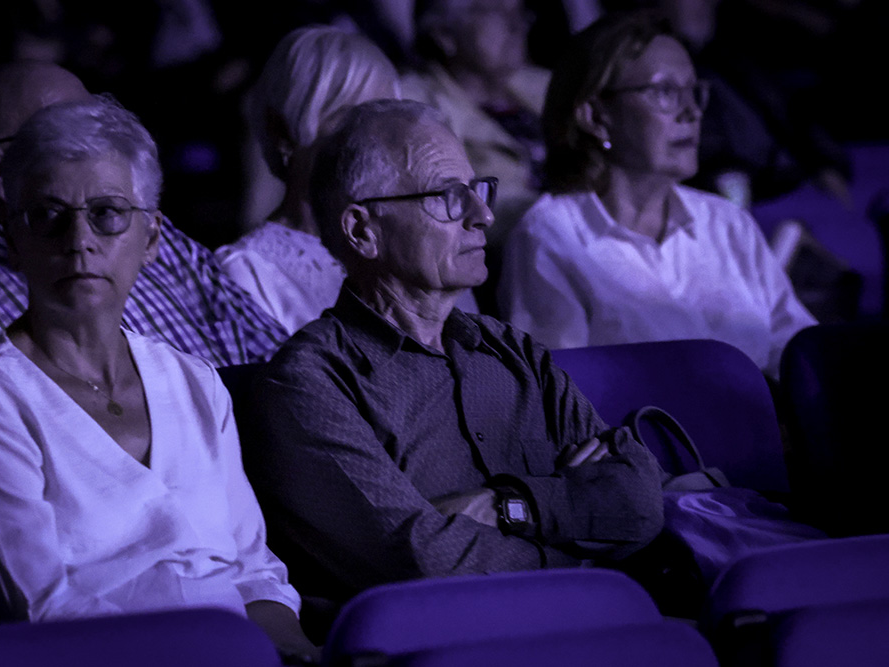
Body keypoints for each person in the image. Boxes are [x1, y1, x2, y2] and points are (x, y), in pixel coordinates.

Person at [0, 94, 318, 662]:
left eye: (107, 213)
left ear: (151, 238)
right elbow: (37, 610)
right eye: (48, 216)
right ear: (13, 240)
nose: (78, 240)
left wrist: (295, 652)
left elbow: (254, 573)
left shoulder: (194, 382)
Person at [245, 99, 664, 602]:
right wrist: (585, 544)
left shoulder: (512, 350)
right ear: (362, 231)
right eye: (447, 196)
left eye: (477, 189)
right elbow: (423, 562)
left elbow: (641, 502)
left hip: (600, 619)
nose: (483, 214)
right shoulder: (308, 383)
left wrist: (507, 505)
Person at [0, 60, 286, 393]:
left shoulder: (153, 234)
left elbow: (279, 368)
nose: (103, 145)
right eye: (69, 132)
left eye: (100, 125)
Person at [496, 11, 816, 380]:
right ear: (595, 117)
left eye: (694, 91)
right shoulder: (549, 236)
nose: (692, 112)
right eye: (664, 92)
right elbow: (560, 392)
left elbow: (798, 353)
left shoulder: (727, 222)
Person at [216, 25, 398, 336]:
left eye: (385, 121)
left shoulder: (405, 247)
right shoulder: (247, 273)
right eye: (349, 120)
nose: (374, 141)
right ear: (282, 129)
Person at [401, 0, 551, 252]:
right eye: (493, 11)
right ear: (444, 35)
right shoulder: (415, 106)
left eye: (519, 10)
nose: (516, 25)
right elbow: (441, 210)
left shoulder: (546, 85)